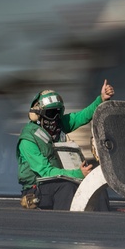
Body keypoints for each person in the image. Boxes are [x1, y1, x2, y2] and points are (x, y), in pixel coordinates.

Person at [17, 80, 114, 210]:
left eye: (58, 112)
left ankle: (104, 221)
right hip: (35, 188)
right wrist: (77, 174)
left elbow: (82, 116)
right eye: (51, 113)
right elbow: (45, 172)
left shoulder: (59, 124)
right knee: (67, 187)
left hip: (60, 179)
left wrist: (101, 99)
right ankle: (66, 225)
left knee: (93, 185)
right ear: (39, 115)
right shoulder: (28, 140)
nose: (56, 117)